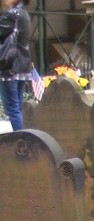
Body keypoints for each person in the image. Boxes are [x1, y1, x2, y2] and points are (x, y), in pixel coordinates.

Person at [0, 0, 32, 131]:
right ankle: (23, 139)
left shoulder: (11, 15)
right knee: (17, 109)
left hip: (9, 68)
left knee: (12, 110)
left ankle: (21, 142)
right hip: (22, 66)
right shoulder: (24, 14)